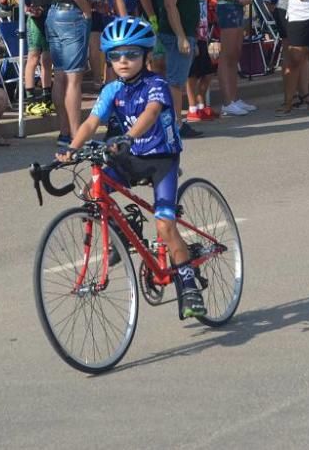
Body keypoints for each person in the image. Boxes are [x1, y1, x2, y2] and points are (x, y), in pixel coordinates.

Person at [57, 17, 207, 319]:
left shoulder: (157, 84)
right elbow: (90, 122)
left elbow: (151, 114)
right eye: (115, 56)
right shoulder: (112, 89)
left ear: (145, 55)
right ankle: (124, 234)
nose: (123, 61)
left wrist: (128, 136)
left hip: (161, 160)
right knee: (91, 193)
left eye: (131, 54)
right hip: (129, 157)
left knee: (165, 226)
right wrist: (72, 148)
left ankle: (188, 285)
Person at [48, 0, 95, 147]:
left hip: (54, 13)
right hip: (72, 14)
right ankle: (77, 134)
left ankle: (64, 131)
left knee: (60, 76)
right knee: (74, 78)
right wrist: (86, 8)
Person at [8, 0, 60, 117]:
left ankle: (47, 98)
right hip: (37, 18)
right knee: (33, 58)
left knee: (48, 60)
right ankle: (30, 100)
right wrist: (25, 8)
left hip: (52, 16)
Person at [157, 0, 204, 139]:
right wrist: (181, 37)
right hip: (176, 34)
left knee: (178, 79)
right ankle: (175, 125)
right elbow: (170, 5)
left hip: (186, 33)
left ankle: (175, 122)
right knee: (175, 82)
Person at [186, 0, 217, 122]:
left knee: (207, 73)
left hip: (203, 36)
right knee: (192, 75)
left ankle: (201, 103)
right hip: (193, 36)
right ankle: (192, 108)